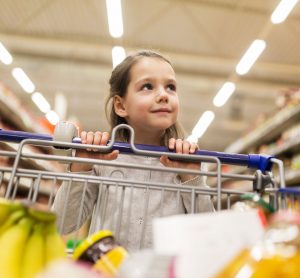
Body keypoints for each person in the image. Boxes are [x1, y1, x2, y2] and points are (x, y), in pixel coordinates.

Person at [53, 50, 214, 251]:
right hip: (109, 271)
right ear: (120, 106)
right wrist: (82, 167)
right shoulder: (103, 158)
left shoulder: (186, 162)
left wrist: (193, 179)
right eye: (147, 86)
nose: (164, 95)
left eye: (170, 87)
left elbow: (209, 233)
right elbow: (62, 223)